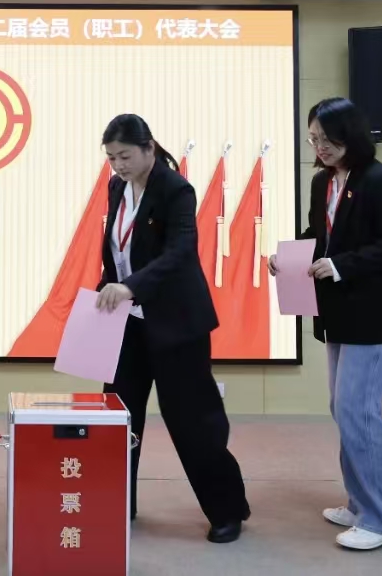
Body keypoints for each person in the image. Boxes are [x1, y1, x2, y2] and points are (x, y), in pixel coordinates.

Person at [94, 113, 250, 543]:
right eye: (111, 158)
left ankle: (227, 508)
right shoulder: (117, 187)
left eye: (125, 156)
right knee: (118, 415)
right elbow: (119, 249)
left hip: (176, 323)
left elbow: (180, 252)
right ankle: (118, 502)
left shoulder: (175, 189)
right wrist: (109, 286)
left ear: (148, 148)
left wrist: (131, 286)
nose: (118, 165)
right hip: (128, 323)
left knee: (192, 420)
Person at [270, 97, 382, 551]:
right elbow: (320, 237)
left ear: (351, 135)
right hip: (341, 315)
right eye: (313, 138)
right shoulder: (323, 182)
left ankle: (380, 519)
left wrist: (340, 265)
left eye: (327, 138)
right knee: (343, 407)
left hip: (377, 316)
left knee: (358, 410)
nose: (320, 146)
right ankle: (359, 503)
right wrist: (290, 257)